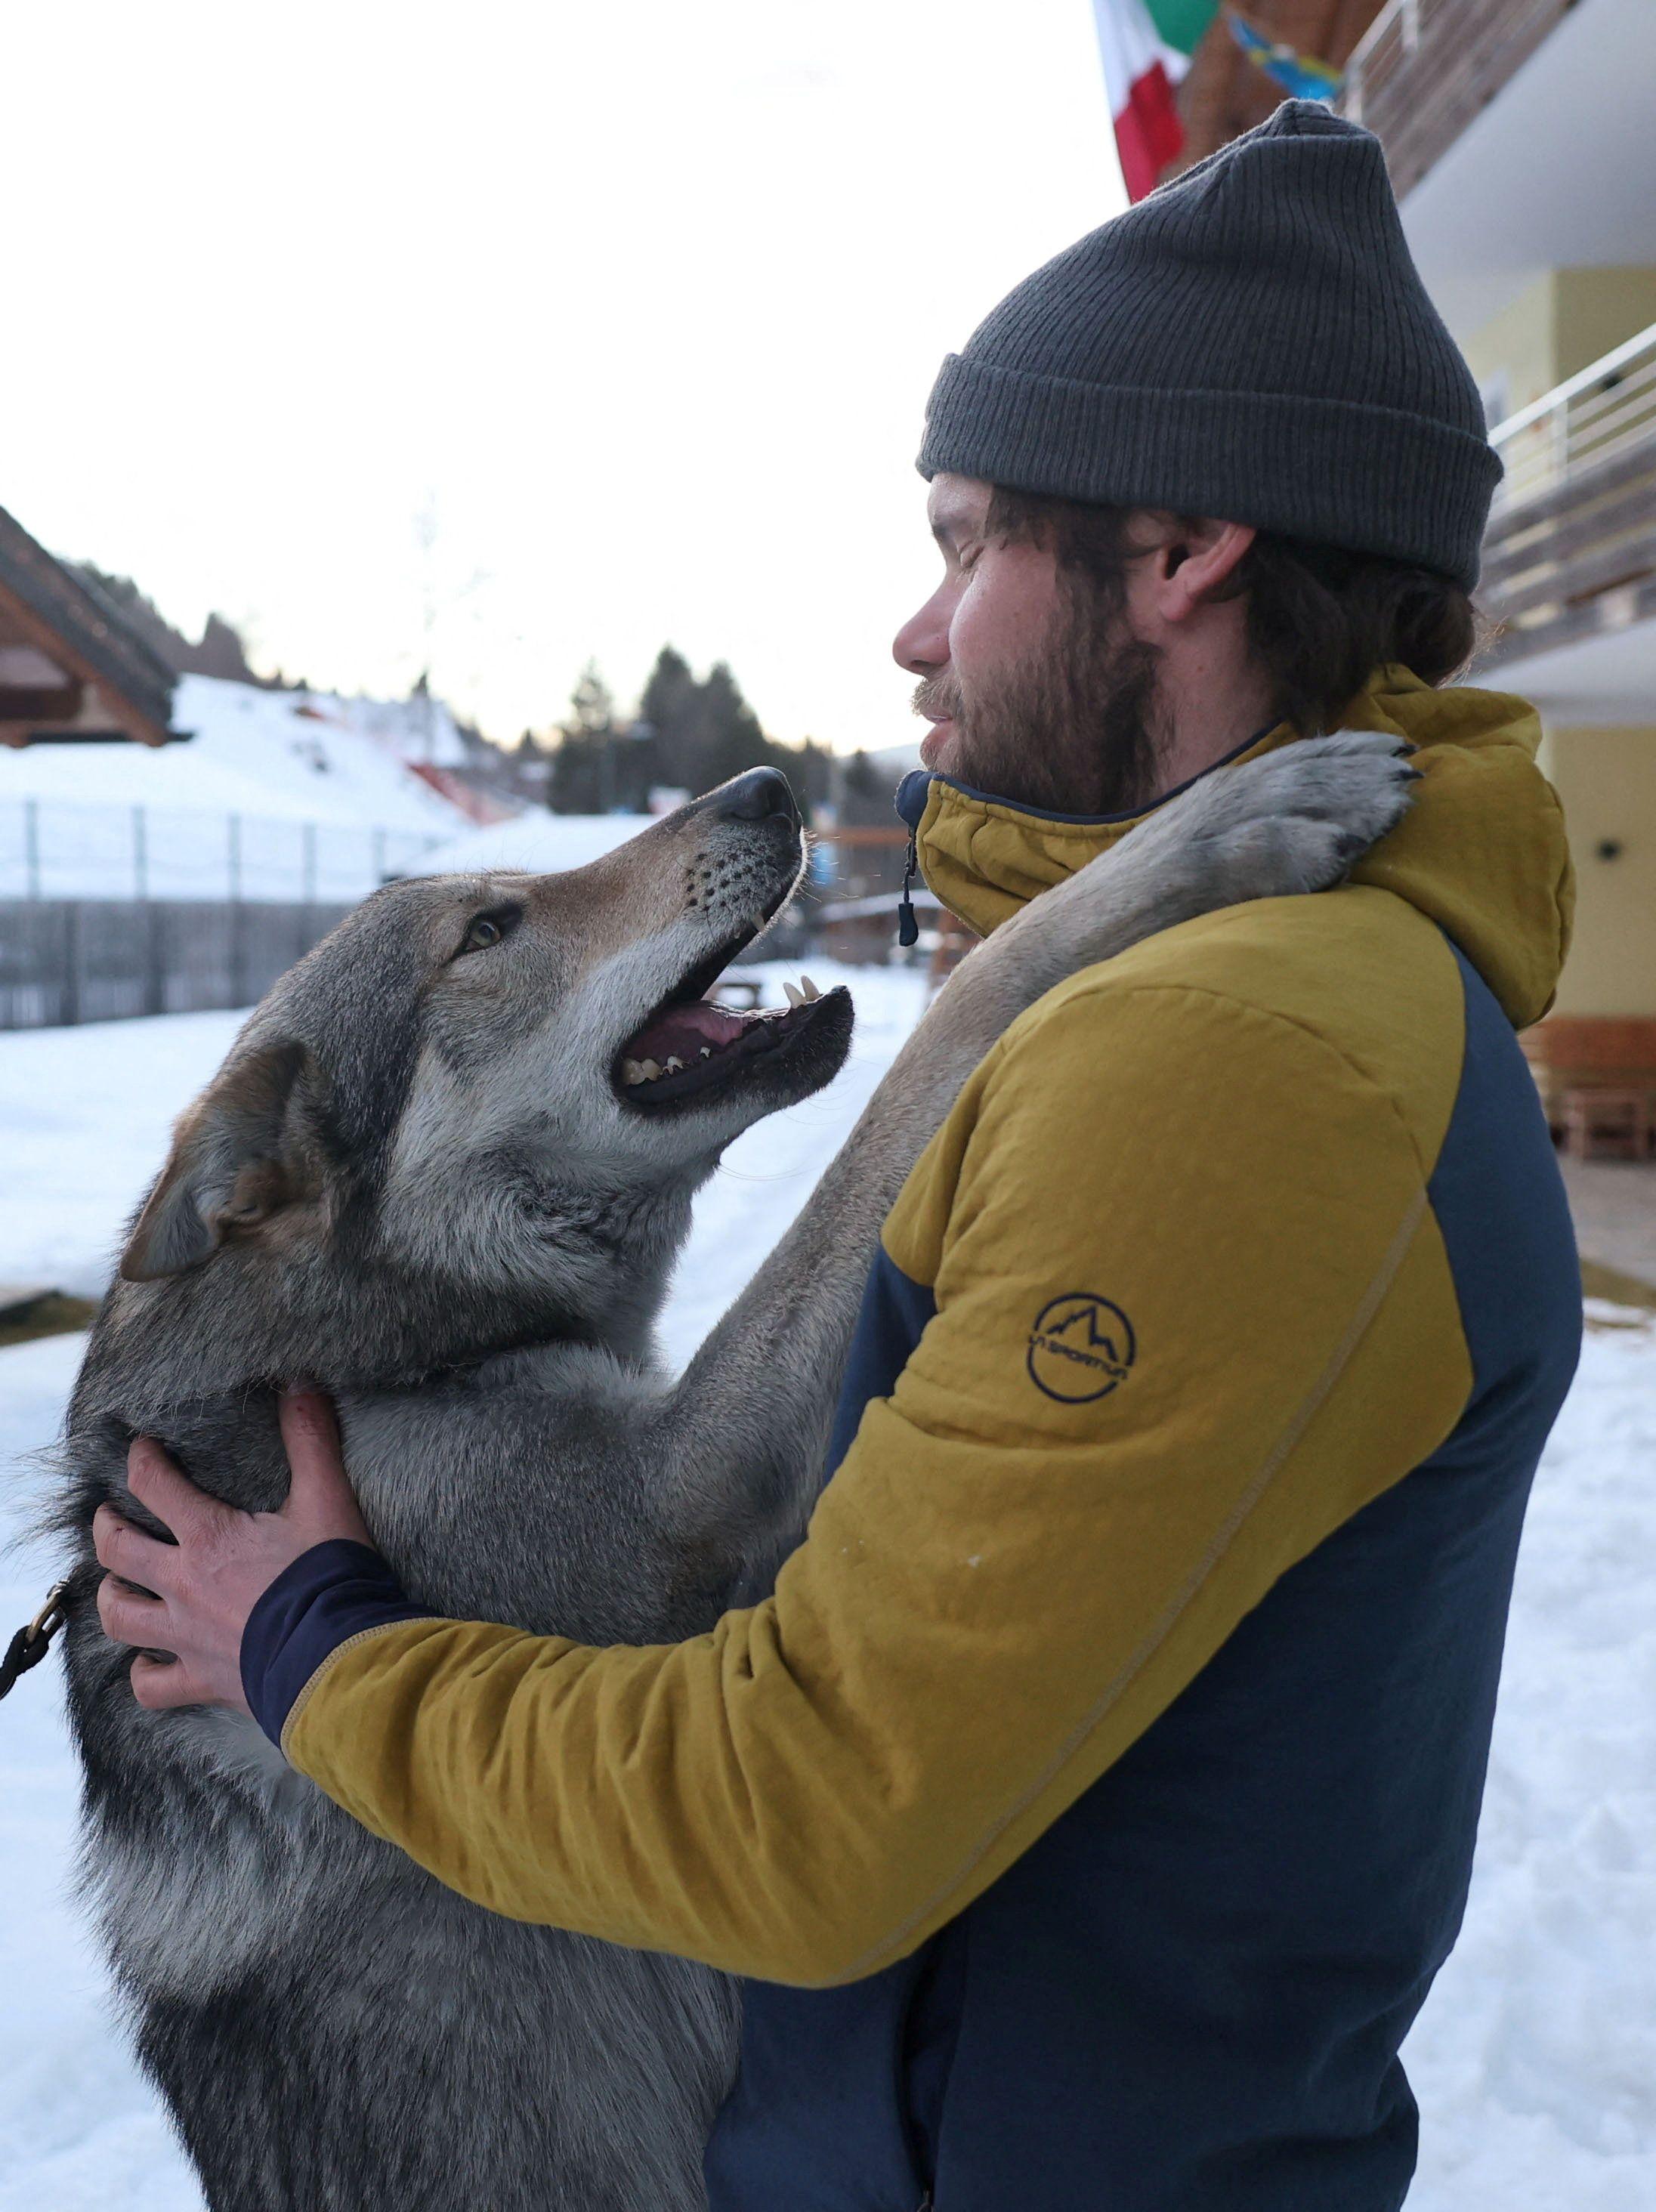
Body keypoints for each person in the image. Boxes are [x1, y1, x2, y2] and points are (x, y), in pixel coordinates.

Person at [94, 103, 1580, 2210]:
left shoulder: (1233, 1051)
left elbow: (803, 1810)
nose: (913, 631)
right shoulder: (1227, 984)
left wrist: (312, 1652)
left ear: (1178, 558)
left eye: (971, 542)